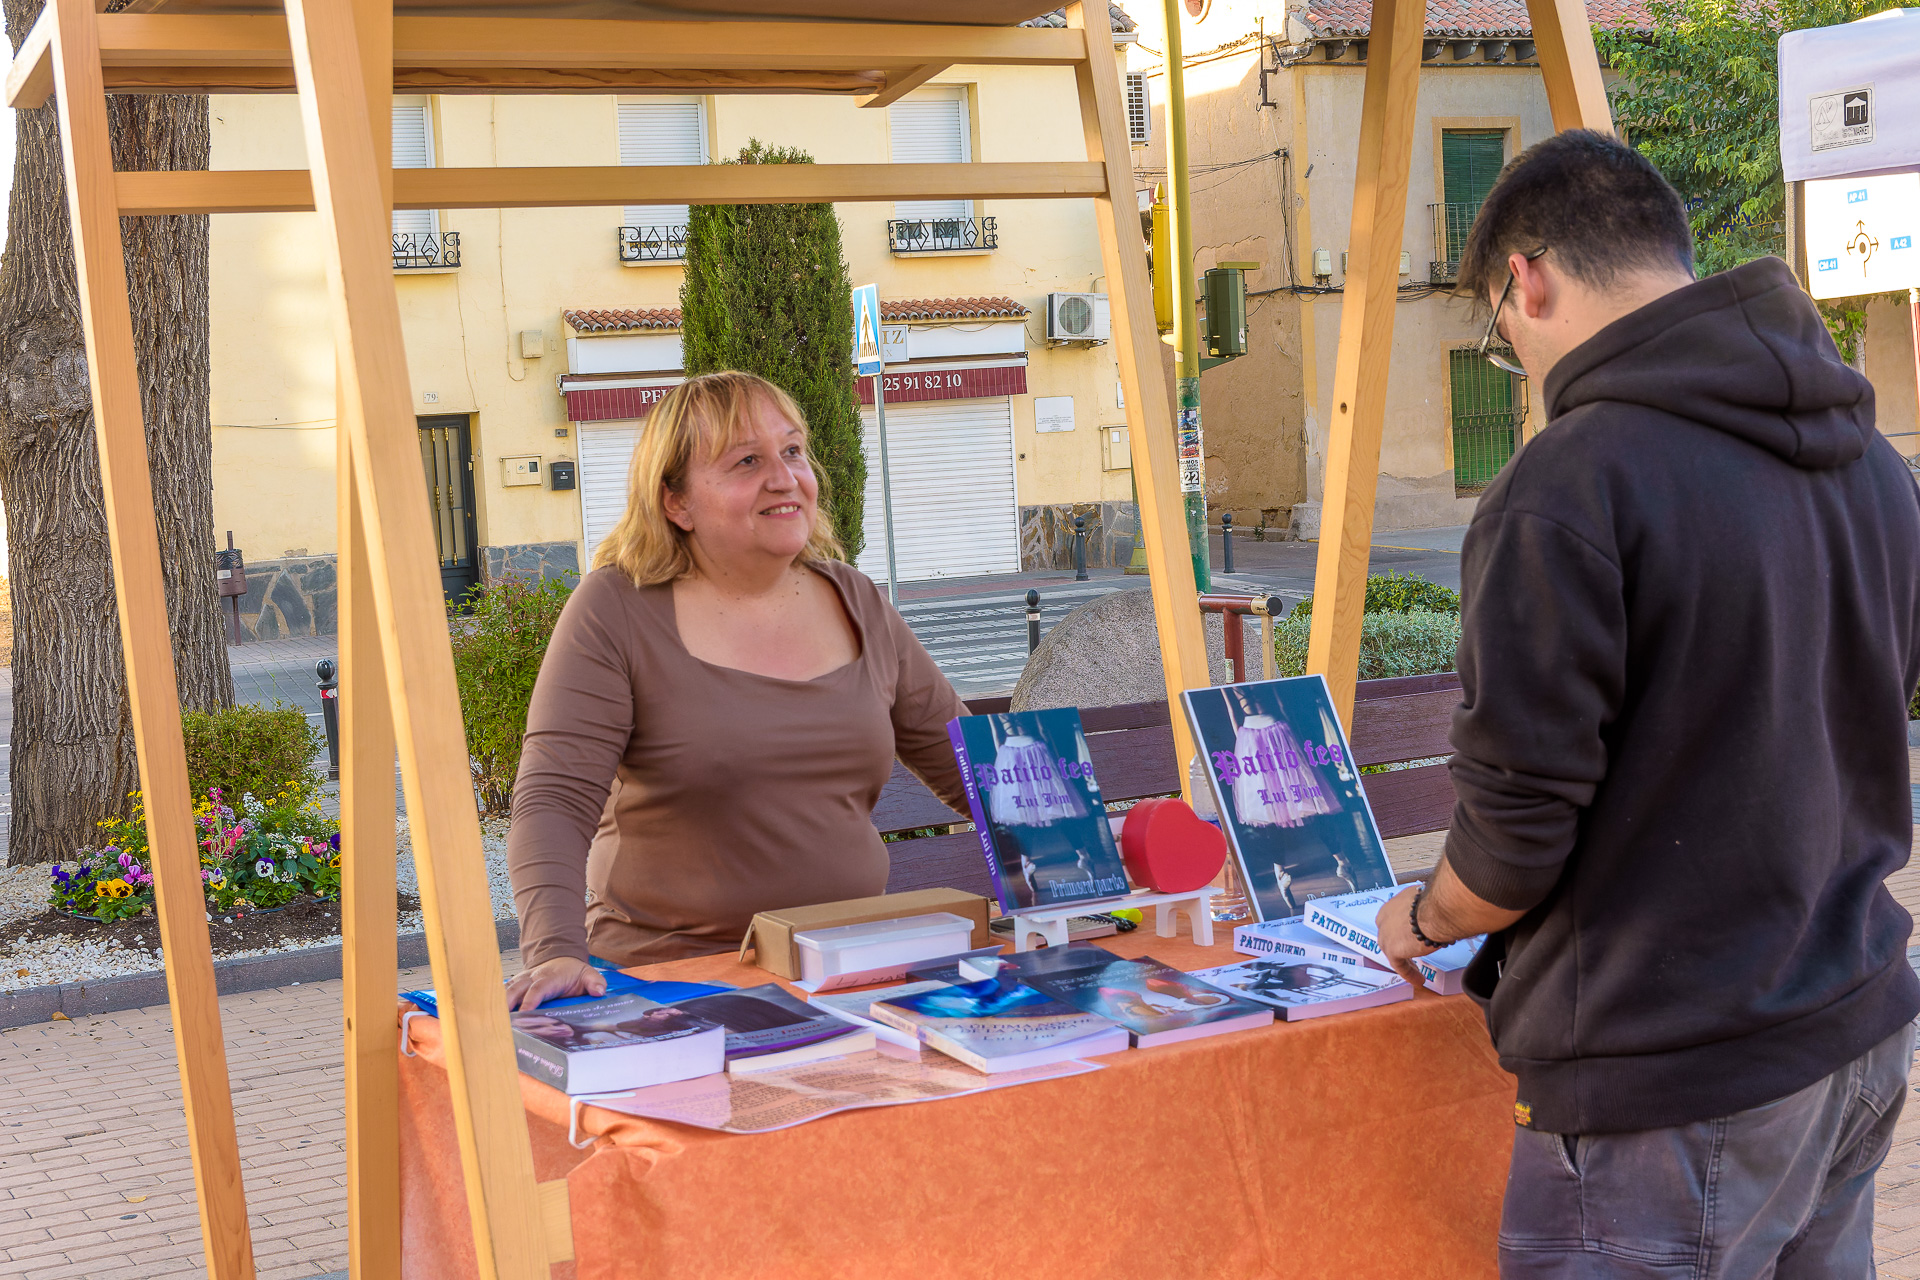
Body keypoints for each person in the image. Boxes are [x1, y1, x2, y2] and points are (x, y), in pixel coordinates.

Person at [1374, 130, 1920, 1277]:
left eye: (1498, 329)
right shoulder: (1869, 459)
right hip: (1853, 1027)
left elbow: (1514, 841)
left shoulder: (1567, 482)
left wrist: (1419, 918)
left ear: (1526, 278)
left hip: (1673, 1073)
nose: (1515, 356)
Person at [505, 371, 971, 1011]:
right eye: (747, 461)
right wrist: (555, 949)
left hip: (850, 971)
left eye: (793, 451)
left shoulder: (854, 597)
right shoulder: (616, 608)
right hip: (676, 982)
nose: (784, 478)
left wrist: (1084, 849)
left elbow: (970, 760)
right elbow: (554, 798)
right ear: (676, 503)